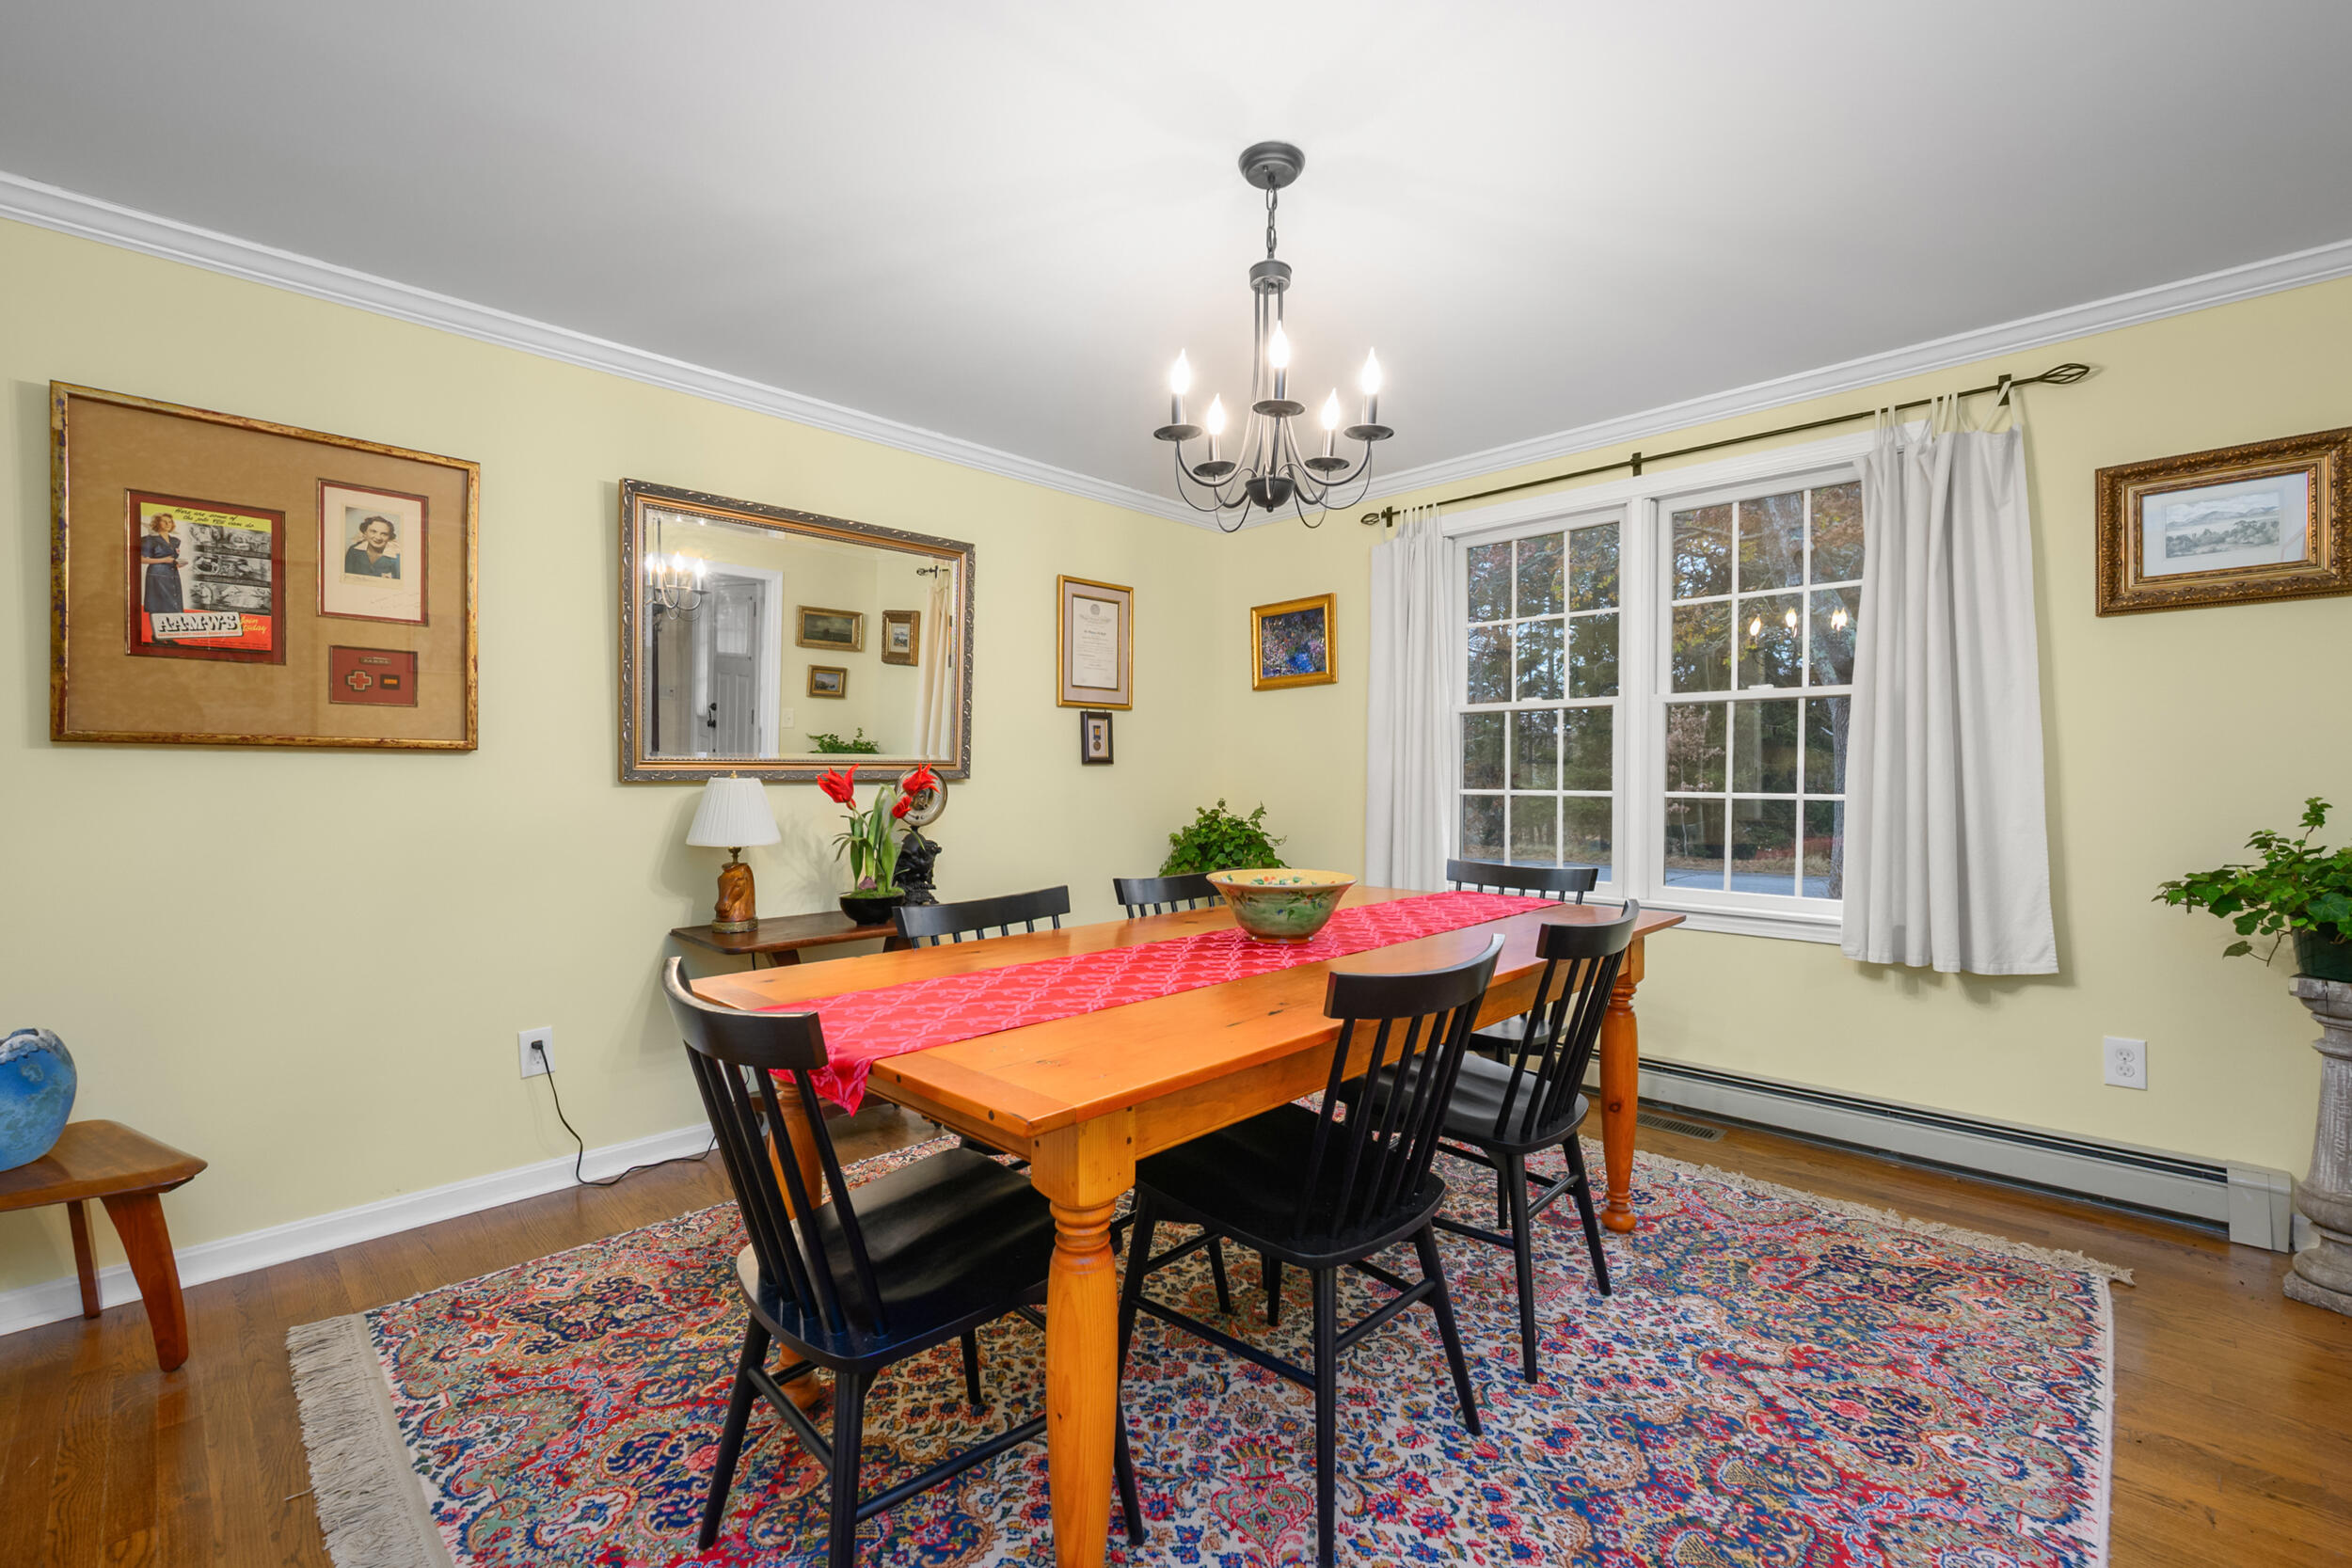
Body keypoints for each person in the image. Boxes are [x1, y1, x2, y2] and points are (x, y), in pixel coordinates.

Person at [139, 514, 184, 613]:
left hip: (173, 574)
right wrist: (163, 560)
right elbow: (140, 559)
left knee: (175, 605)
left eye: (170, 522)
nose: (167, 524)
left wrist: (176, 564)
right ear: (157, 523)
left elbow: (172, 557)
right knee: (160, 605)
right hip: (157, 575)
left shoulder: (175, 541)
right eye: (164, 521)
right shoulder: (149, 539)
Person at [344, 514, 401, 579]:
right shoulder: (353, 550)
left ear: (389, 537)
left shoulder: (397, 558)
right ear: (365, 532)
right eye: (373, 531)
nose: (378, 537)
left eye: (384, 534)